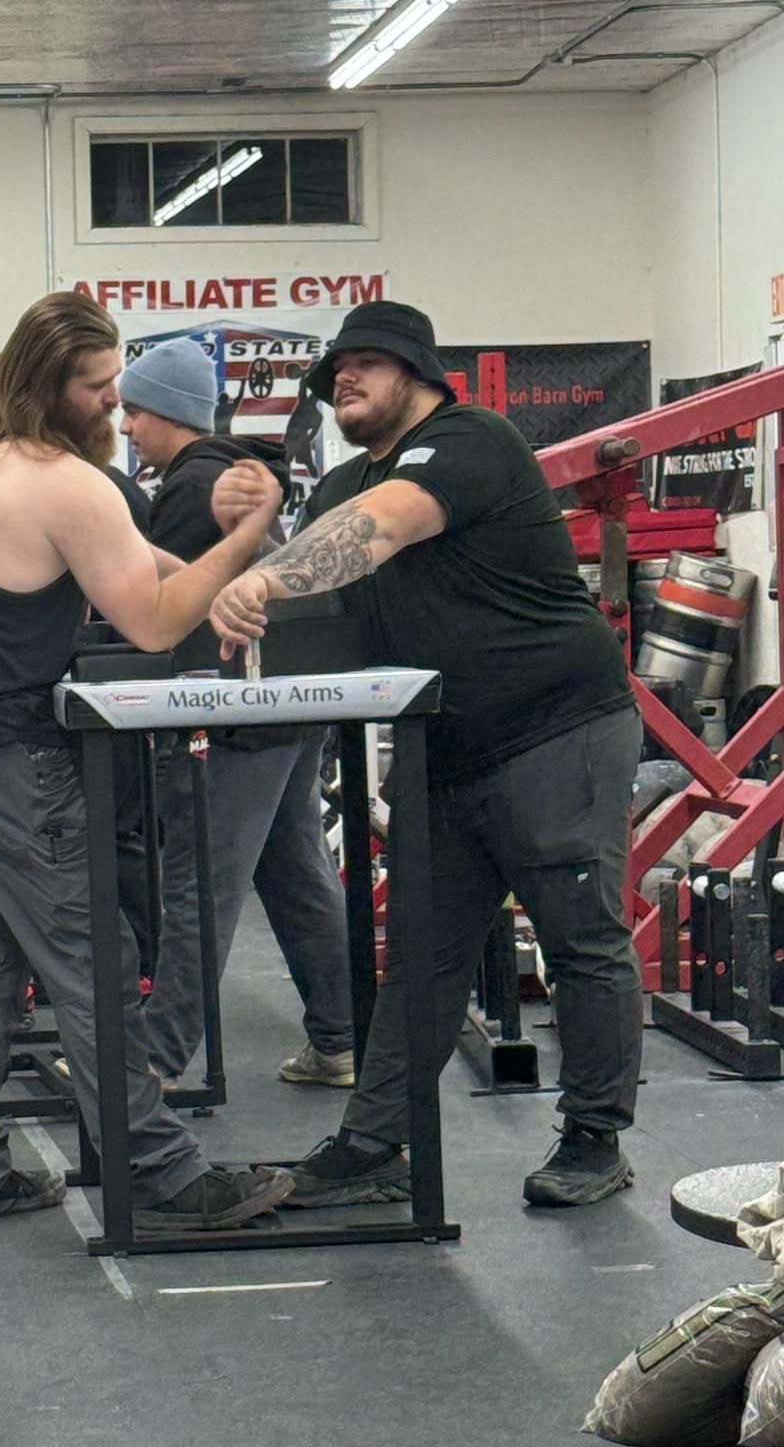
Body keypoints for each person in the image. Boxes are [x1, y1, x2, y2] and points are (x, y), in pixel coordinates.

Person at [209, 300, 642, 1208]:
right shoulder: (338, 489)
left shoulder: (469, 440)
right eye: (336, 371)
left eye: (365, 362)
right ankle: (373, 1146)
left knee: (580, 940)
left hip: (555, 727)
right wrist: (245, 529)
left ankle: (596, 1140)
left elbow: (385, 528)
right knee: (422, 954)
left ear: (417, 371)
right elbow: (312, 578)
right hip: (443, 746)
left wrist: (264, 572)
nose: (345, 380)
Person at [0, 290, 294, 1233]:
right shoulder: (64, 483)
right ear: (53, 384)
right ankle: (165, 1172)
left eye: (120, 385)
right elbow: (155, 624)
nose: (116, 406)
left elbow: (129, 562)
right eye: (99, 388)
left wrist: (203, 564)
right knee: (92, 959)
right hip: (7, 751)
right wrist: (247, 533)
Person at [117, 338, 355, 1090]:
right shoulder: (227, 475)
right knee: (294, 875)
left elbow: (162, 602)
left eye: (133, 411)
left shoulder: (195, 487)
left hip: (237, 716)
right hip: (284, 707)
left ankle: (155, 1058)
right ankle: (343, 1036)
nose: (125, 427)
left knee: (200, 885)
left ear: (169, 413)